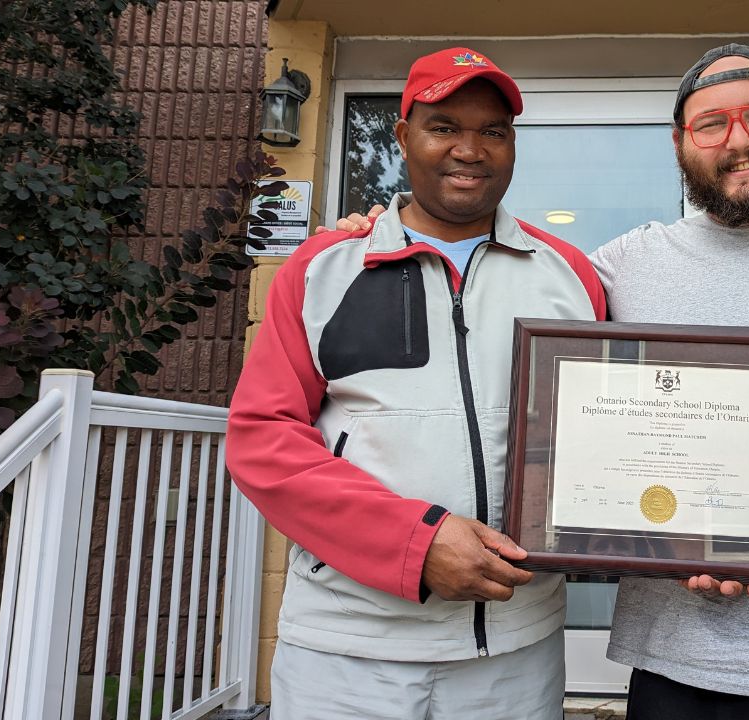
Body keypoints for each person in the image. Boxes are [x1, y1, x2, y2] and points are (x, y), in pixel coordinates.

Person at [332, 43, 749, 720]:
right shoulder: (621, 266)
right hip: (681, 664)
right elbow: (490, 297)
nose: (738, 141)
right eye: (711, 124)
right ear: (681, 143)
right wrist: (379, 233)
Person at [225, 47, 605, 720]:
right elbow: (263, 439)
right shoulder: (324, 269)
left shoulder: (570, 275)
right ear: (403, 139)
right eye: (445, 127)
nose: (471, 149)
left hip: (514, 650)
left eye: (493, 131)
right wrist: (415, 542)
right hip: (345, 654)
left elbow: (611, 433)